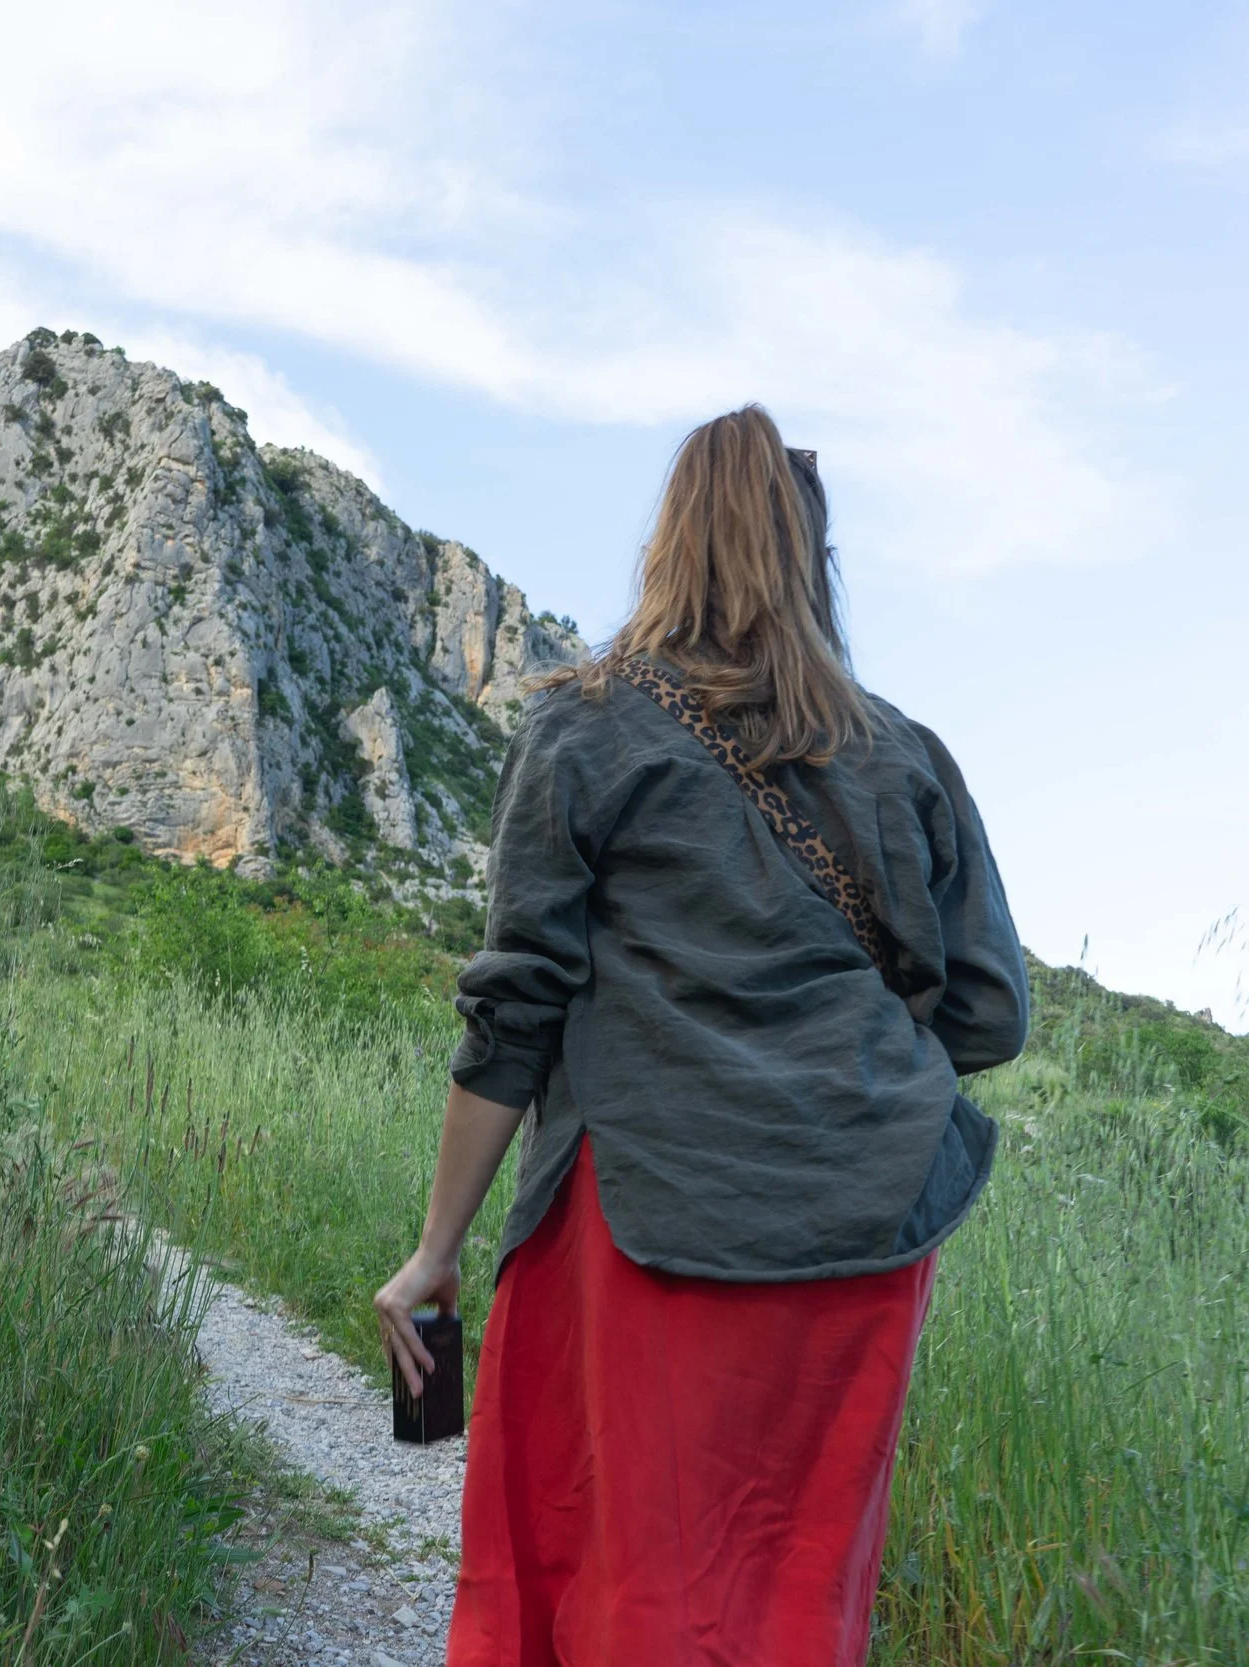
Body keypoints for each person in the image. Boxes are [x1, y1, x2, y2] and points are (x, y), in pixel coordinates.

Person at [374, 405, 1028, 1667]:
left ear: (670, 538)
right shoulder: (904, 754)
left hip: (656, 1216)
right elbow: (988, 1010)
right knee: (793, 1591)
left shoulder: (588, 726)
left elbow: (516, 1009)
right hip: (869, 1217)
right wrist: (837, 1080)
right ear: (810, 554)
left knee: (633, 1579)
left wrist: (434, 1251)